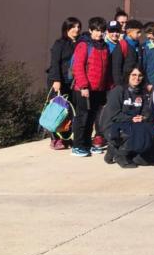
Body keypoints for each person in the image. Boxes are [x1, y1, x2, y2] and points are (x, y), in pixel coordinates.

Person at [69, 17, 112, 157]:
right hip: (84, 89)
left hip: (98, 90)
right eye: (96, 30)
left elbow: (106, 70)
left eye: (101, 31)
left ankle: (87, 144)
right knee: (82, 117)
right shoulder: (84, 45)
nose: (99, 34)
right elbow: (78, 67)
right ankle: (78, 145)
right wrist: (83, 86)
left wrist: (107, 87)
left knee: (92, 117)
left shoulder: (104, 46)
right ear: (90, 30)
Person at [100, 66, 154, 168]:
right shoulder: (118, 91)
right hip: (113, 125)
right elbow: (114, 115)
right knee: (132, 130)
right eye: (134, 75)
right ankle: (120, 154)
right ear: (128, 76)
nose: (137, 78)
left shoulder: (142, 93)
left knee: (147, 128)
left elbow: (147, 111)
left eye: (140, 75)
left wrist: (143, 117)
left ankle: (132, 154)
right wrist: (131, 118)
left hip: (132, 123)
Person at [46, 17, 81, 150]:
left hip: (72, 82)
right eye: (73, 27)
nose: (76, 29)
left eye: (78, 27)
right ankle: (55, 139)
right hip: (58, 81)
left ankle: (66, 137)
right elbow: (55, 63)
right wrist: (56, 80)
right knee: (56, 110)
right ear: (66, 28)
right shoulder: (59, 43)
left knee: (69, 111)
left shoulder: (79, 43)